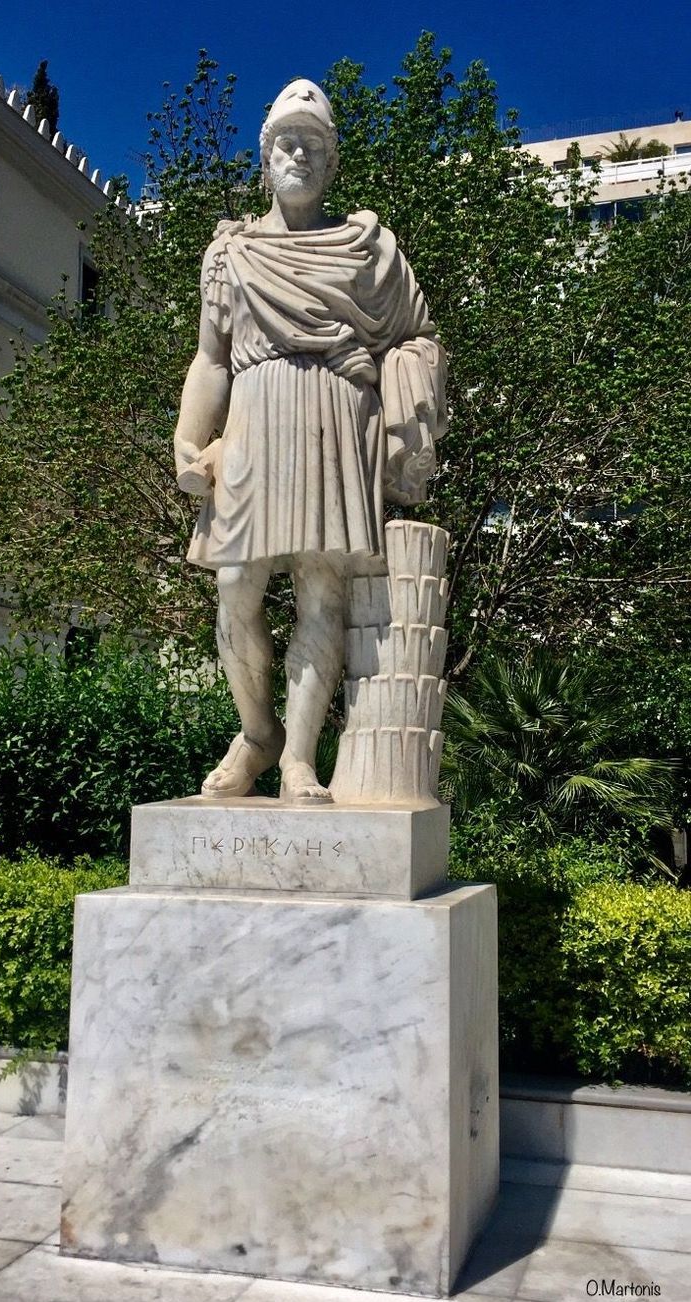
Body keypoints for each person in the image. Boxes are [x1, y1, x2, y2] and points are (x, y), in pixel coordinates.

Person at [174, 79, 446, 803]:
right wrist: (186, 437)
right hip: (254, 421)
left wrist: (405, 398)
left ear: (330, 164)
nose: (297, 154)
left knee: (322, 595)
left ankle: (297, 757)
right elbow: (210, 358)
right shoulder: (229, 255)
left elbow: (417, 335)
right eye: (285, 143)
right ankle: (256, 732)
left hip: (335, 422)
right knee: (235, 587)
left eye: (312, 145)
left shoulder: (368, 251)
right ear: (264, 161)